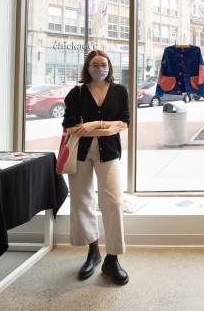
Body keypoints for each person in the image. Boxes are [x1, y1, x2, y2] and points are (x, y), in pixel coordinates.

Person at [62, 49, 130, 285]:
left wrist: (92, 124)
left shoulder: (120, 91)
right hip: (80, 153)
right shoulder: (77, 93)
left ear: (110, 67)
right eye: (95, 64)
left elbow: (124, 122)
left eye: (104, 64)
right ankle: (93, 251)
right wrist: (107, 127)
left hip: (108, 152)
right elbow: (70, 127)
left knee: (112, 202)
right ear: (87, 67)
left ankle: (112, 258)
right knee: (82, 201)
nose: (100, 68)